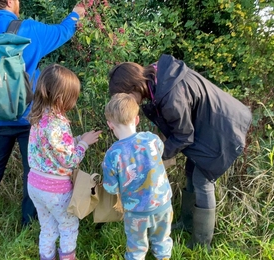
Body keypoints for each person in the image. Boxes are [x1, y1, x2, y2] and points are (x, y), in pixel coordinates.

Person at [0, 0, 85, 236]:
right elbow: (64, 31)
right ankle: (29, 224)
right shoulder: (29, 30)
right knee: (32, 170)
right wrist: (76, 14)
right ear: (12, 1)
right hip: (29, 119)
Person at [108, 54, 252, 250]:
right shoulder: (159, 77)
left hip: (224, 130)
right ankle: (186, 223)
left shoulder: (170, 96)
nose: (129, 103)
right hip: (208, 126)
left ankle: (202, 243)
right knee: (190, 172)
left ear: (134, 87)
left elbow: (184, 136)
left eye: (126, 96)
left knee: (203, 180)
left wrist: (153, 156)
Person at [27, 64, 102, 260]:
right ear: (61, 98)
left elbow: (52, 148)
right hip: (56, 189)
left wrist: (78, 139)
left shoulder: (38, 117)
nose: (74, 102)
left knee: (48, 226)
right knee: (68, 225)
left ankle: (47, 256)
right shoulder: (58, 123)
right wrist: (84, 145)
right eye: (73, 97)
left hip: (35, 183)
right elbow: (69, 160)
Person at [102, 93, 173, 260]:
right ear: (137, 119)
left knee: (136, 247)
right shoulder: (152, 139)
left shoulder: (112, 154)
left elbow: (111, 188)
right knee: (162, 239)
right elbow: (160, 152)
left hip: (136, 211)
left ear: (110, 125)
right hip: (162, 203)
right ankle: (163, 256)